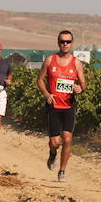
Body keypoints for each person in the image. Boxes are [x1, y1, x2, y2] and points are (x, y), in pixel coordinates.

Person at [36, 30, 87, 182]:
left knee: (67, 138)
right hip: (53, 106)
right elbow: (39, 80)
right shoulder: (50, 60)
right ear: (58, 43)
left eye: (68, 41)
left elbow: (83, 83)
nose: (65, 44)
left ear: (72, 43)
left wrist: (80, 88)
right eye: (62, 41)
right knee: (55, 142)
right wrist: (46, 94)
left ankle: (62, 171)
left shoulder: (76, 62)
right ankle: (52, 154)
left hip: (69, 106)